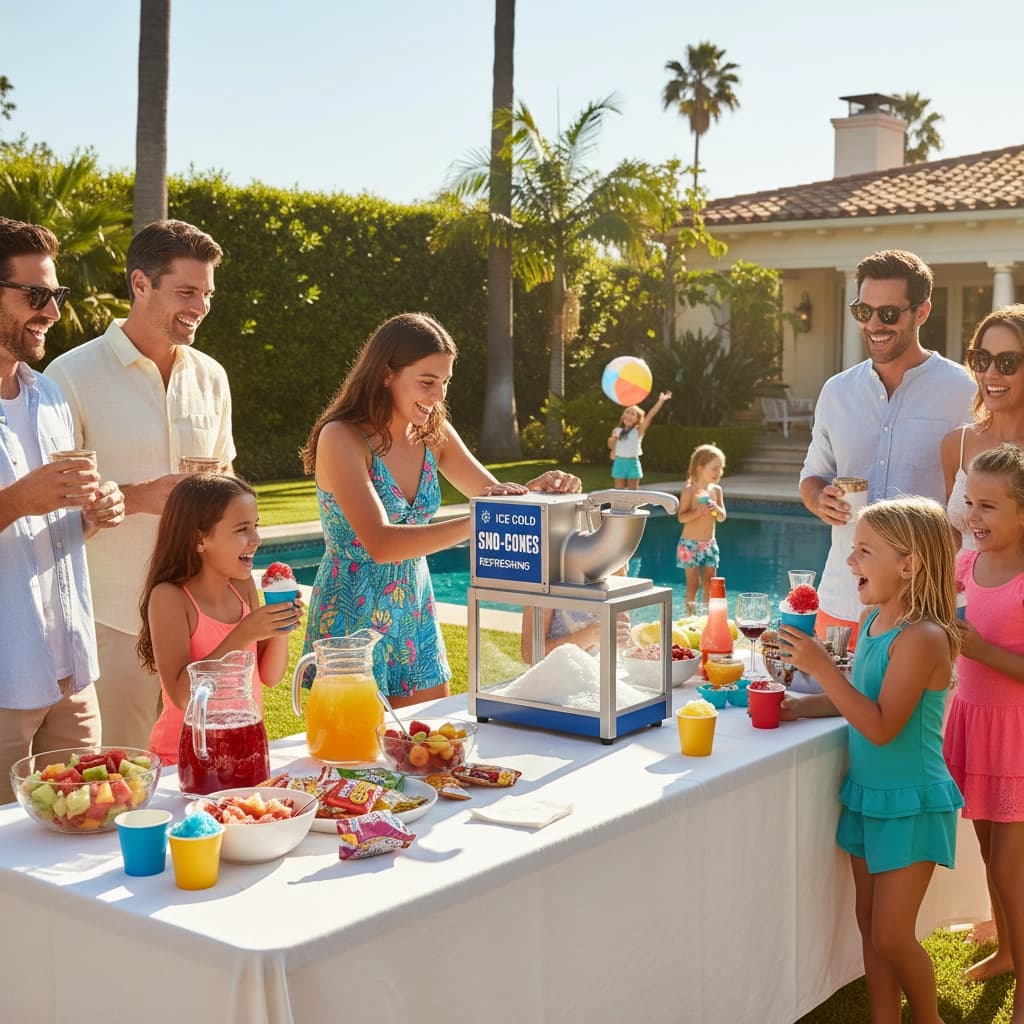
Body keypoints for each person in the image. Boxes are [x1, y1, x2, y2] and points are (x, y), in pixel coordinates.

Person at [300, 312, 580, 708]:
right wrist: (480, 520)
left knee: (428, 743)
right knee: (357, 757)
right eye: (427, 382)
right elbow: (380, 543)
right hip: (352, 617)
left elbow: (490, 496)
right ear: (385, 374)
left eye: (445, 382)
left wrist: (534, 491)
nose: (438, 396)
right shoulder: (341, 437)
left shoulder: (435, 433)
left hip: (415, 608)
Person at [45, 220, 235, 749]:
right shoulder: (71, 376)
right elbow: (52, 505)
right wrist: (142, 497)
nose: (200, 306)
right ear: (140, 284)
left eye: (207, 294)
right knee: (117, 780)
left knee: (205, 772)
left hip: (199, 618)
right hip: (113, 622)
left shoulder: (211, 377)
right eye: (187, 292)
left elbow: (225, 489)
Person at [780, 496, 962, 1024]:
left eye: (864, 552)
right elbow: (861, 696)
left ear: (909, 565)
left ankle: (928, 1020)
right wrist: (803, 705)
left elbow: (882, 726)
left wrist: (820, 666)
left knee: (891, 933)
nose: (850, 563)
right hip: (868, 796)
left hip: (912, 800)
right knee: (868, 922)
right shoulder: (873, 619)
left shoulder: (924, 638)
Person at [0, 218, 125, 801]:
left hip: (70, 673)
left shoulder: (48, 394)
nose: (51, 312)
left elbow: (53, 520)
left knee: (84, 832)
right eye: (36, 295)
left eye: (57, 296)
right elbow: (25, 505)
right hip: (4, 677)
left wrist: (93, 515)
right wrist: (21, 500)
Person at [800, 249, 975, 648]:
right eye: (864, 312)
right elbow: (812, 475)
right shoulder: (837, 391)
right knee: (830, 709)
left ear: (922, 312)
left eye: (889, 314)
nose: (874, 325)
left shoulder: (964, 390)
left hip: (927, 607)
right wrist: (818, 498)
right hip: (842, 600)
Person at [137, 475, 300, 767]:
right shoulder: (170, 597)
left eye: (256, 526)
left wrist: (280, 625)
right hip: (185, 757)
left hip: (243, 747)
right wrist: (243, 634)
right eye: (242, 529)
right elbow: (182, 696)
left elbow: (270, 676)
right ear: (200, 539)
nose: (257, 539)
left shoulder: (243, 585)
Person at [942, 444, 1024, 995]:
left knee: (1009, 870)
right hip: (972, 725)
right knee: (986, 853)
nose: (973, 516)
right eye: (970, 502)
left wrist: (981, 650)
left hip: (1015, 735)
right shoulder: (967, 564)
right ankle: (1007, 952)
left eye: (989, 506)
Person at [943, 305, 1024, 552]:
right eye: (982, 359)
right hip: (959, 589)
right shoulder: (957, 443)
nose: (990, 373)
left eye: (1007, 362)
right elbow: (953, 540)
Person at [675, 443, 727, 613]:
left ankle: (707, 617)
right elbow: (681, 517)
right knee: (693, 584)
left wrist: (715, 509)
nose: (718, 472)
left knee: (710, 583)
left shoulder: (716, 491)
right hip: (689, 545)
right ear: (700, 468)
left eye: (720, 468)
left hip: (710, 545)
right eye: (714, 468)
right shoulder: (689, 491)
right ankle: (690, 617)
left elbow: (722, 517)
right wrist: (697, 512)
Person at [607, 390, 671, 490]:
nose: (629, 415)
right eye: (627, 412)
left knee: (633, 494)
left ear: (637, 419)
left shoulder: (638, 431)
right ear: (623, 416)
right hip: (619, 462)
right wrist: (613, 442)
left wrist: (661, 401)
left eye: (633, 414)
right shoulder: (617, 431)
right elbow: (611, 446)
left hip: (632, 463)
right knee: (618, 493)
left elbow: (650, 415)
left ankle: (632, 506)